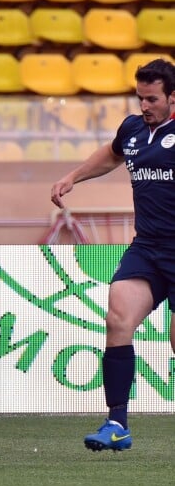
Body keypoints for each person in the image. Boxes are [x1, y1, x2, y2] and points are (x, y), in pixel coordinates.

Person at [50, 58, 175, 452]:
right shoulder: (134, 129)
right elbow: (111, 153)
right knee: (118, 316)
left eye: (152, 99)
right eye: (140, 98)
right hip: (149, 247)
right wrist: (73, 177)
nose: (144, 106)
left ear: (172, 96)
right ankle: (116, 423)